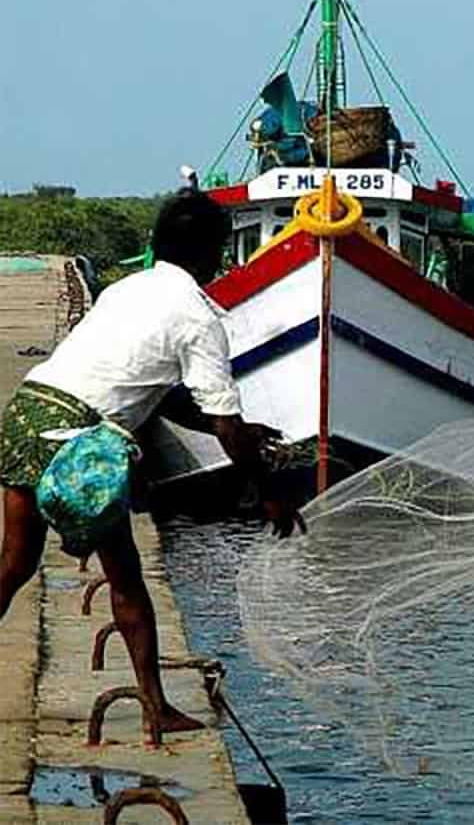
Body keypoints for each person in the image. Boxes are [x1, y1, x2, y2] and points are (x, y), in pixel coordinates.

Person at [0, 190, 303, 734]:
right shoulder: (199, 319)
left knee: (15, 563)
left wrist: (236, 430)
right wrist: (271, 492)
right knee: (125, 577)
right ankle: (155, 708)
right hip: (78, 441)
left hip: (26, 411)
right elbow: (227, 428)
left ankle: (154, 707)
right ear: (213, 254)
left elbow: (161, 394)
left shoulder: (126, 289)